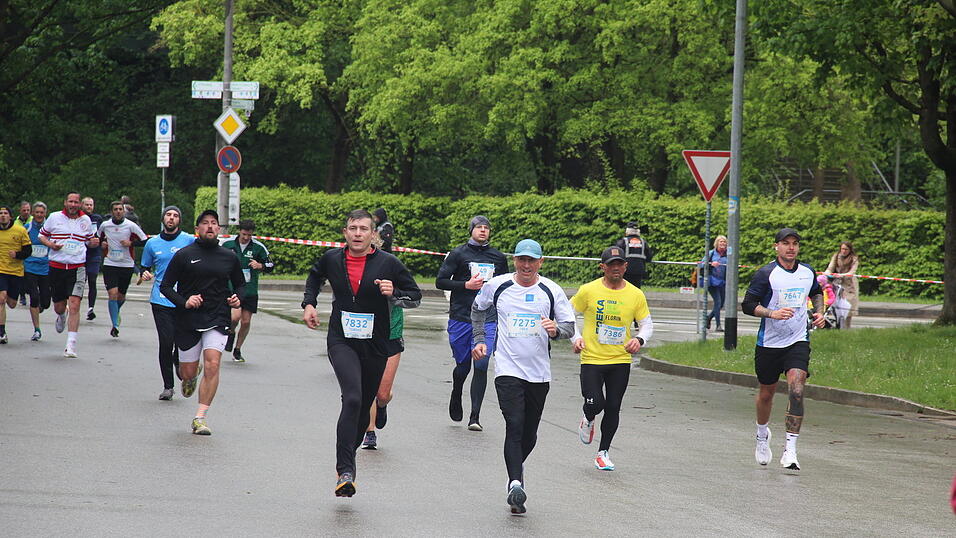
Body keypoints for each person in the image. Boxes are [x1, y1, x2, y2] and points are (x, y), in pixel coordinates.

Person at [301, 209, 421, 498]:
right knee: (352, 397)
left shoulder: (389, 263)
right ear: (345, 233)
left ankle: (347, 462)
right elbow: (314, 277)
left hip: (376, 344)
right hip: (341, 340)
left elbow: (414, 296)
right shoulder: (332, 259)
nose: (357, 233)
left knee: (364, 401)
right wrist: (309, 303)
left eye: (363, 229)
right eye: (352, 228)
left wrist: (393, 293)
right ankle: (345, 470)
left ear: (373, 235)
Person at [471, 239, 575, 514]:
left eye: (531, 260)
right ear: (514, 260)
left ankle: (512, 473)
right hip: (508, 368)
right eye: (521, 260)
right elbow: (478, 309)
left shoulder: (551, 290)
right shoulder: (498, 285)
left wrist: (555, 330)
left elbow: (568, 326)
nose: (526, 265)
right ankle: (516, 482)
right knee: (514, 425)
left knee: (529, 434)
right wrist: (480, 339)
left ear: (541, 262)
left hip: (539, 372)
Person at [742, 228, 825, 471]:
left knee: (797, 390)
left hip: (798, 340)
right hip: (769, 343)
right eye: (786, 243)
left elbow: (816, 293)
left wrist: (820, 312)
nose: (791, 248)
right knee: (766, 393)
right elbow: (748, 305)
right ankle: (761, 434)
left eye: (795, 244)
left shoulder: (807, 272)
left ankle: (790, 450)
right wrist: (772, 313)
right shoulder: (767, 274)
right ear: (776, 246)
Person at [160, 210, 244, 435]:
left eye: (214, 223)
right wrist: (185, 301)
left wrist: (238, 298)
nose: (209, 226)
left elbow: (241, 285)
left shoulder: (229, 257)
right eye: (205, 223)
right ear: (197, 229)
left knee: (213, 363)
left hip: (217, 316)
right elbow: (165, 286)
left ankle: (200, 417)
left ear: (219, 229)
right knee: (187, 373)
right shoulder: (184, 255)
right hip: (188, 318)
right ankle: (190, 374)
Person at [571, 246, 653, 471]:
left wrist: (640, 340)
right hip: (591, 358)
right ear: (602, 267)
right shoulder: (588, 290)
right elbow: (568, 315)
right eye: (611, 264)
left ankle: (603, 452)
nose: (615, 268)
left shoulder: (635, 294)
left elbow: (647, 324)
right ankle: (588, 417)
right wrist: (576, 338)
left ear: (626, 266)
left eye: (619, 264)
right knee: (595, 402)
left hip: (620, 360)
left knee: (614, 406)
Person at [435, 215, 509, 431]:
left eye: (486, 227)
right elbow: (440, 282)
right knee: (463, 366)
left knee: (481, 364)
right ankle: (457, 389)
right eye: (479, 227)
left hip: (488, 318)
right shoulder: (458, 254)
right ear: (471, 231)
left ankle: (474, 416)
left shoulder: (498, 257)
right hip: (461, 316)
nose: (483, 231)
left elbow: (505, 286)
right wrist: (466, 285)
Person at [140, 206, 195, 400]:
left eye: (175, 215)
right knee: (166, 342)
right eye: (168, 215)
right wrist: (144, 273)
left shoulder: (189, 240)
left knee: (181, 342)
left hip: (183, 299)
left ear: (180, 220)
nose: (171, 218)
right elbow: (144, 267)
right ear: (163, 218)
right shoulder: (152, 243)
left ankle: (178, 361)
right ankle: (168, 387)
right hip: (160, 299)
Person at [39, 192, 99, 357]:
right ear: (65, 202)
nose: (73, 205)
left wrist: (93, 242)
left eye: (76, 202)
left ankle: (70, 346)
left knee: (75, 304)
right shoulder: (54, 217)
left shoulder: (85, 220)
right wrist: (51, 244)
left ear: (80, 204)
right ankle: (61, 315)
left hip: (77, 267)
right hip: (57, 267)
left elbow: (89, 240)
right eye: (70, 202)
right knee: (59, 306)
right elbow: (42, 235)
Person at [223, 219, 274, 363]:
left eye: (249, 235)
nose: (246, 237)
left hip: (250, 289)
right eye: (244, 234)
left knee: (245, 322)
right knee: (234, 317)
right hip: (233, 288)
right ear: (239, 231)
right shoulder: (228, 245)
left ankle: (237, 349)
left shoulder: (258, 247)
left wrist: (260, 265)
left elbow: (270, 264)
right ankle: (231, 332)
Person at [97, 201, 148, 338]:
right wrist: (101, 244)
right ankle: (115, 325)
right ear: (112, 211)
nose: (118, 211)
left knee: (121, 296)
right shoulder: (105, 225)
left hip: (126, 264)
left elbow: (145, 240)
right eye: (116, 209)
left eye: (120, 209)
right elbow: (97, 237)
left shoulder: (131, 226)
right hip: (110, 263)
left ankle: (116, 313)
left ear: (124, 212)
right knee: (112, 294)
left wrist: (131, 243)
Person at [0, 205, 34, 344]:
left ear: (10, 216)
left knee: (12, 303)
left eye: (5, 213)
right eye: (0, 213)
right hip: (1, 270)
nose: (2, 215)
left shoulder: (20, 231)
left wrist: (17, 255)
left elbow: (28, 251)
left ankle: (9, 296)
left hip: (15, 271)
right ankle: (1, 332)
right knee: (1, 298)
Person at [24, 202, 52, 341]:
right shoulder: (27, 228)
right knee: (34, 296)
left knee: (46, 302)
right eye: (37, 212)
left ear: (45, 214)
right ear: (33, 213)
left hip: (46, 268)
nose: (39, 215)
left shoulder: (50, 228)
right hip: (29, 267)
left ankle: (40, 306)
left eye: (42, 212)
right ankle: (37, 329)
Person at [825, 241, 859, 329]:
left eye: (846, 249)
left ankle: (847, 328)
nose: (843, 251)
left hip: (849, 285)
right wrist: (827, 273)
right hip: (836, 284)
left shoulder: (854, 259)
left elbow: (852, 272)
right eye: (842, 249)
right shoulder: (836, 256)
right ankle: (838, 326)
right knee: (835, 306)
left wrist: (841, 275)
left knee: (848, 308)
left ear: (850, 250)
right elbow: (830, 267)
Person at [81, 197, 104, 321]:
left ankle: (91, 308)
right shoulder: (78, 218)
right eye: (87, 205)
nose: (89, 207)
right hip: (81, 254)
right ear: (82, 205)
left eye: (91, 205)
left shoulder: (97, 218)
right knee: (80, 281)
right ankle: (75, 305)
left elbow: (102, 234)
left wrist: (101, 242)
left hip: (94, 254)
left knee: (92, 280)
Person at [699, 235, 728, 331]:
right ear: (717, 243)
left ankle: (708, 318)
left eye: (724, 242)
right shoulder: (711, 253)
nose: (722, 243)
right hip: (712, 282)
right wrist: (711, 264)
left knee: (721, 303)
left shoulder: (728, 254)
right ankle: (718, 325)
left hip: (722, 282)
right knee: (718, 302)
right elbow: (701, 264)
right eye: (720, 242)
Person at [614, 222, 653, 288]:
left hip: (625, 271)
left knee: (624, 288)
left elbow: (616, 255)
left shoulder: (623, 241)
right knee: (636, 290)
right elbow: (649, 257)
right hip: (639, 271)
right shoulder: (643, 242)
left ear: (627, 231)